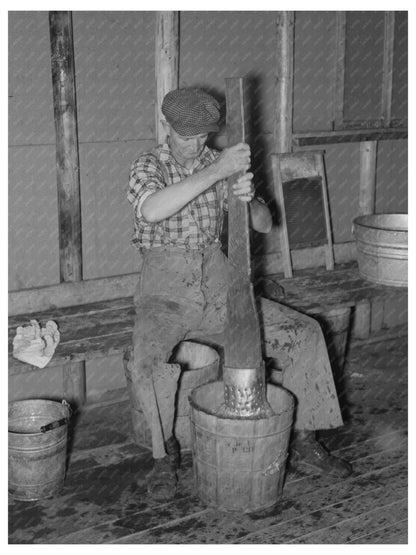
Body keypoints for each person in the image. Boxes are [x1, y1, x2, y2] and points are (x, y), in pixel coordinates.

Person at [126, 87, 351, 501]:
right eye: (185, 136)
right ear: (167, 127)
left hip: (218, 284)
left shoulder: (220, 162)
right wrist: (217, 172)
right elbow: (153, 210)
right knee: (145, 360)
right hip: (165, 290)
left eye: (202, 136)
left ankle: (303, 440)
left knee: (305, 332)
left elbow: (265, 224)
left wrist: (250, 201)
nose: (195, 144)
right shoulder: (149, 164)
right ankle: (165, 456)